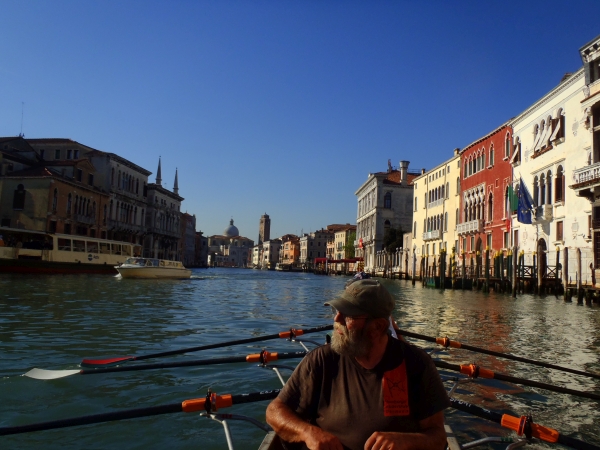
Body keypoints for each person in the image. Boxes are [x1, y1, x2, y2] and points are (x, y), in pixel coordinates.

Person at [266, 280, 449, 450]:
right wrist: (308, 433)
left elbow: (439, 437)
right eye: (336, 311)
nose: (337, 320)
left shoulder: (416, 363)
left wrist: (406, 441)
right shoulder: (321, 360)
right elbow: (274, 411)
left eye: (348, 315)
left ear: (377, 327)